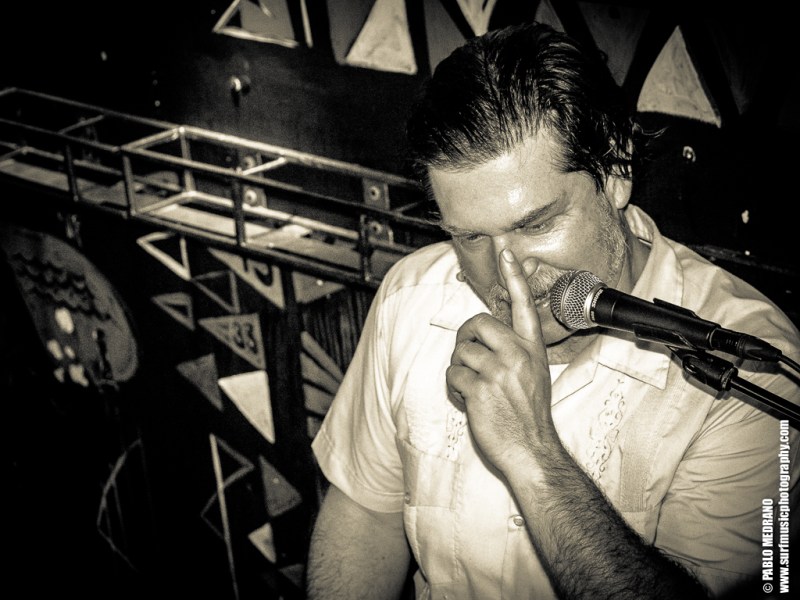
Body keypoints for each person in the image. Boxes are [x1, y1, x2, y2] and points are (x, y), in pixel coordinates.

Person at [305, 21, 800, 599]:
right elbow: (366, 512)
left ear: (615, 171)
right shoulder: (411, 294)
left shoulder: (754, 372)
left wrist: (533, 454)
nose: (506, 273)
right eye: (470, 237)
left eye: (536, 225)